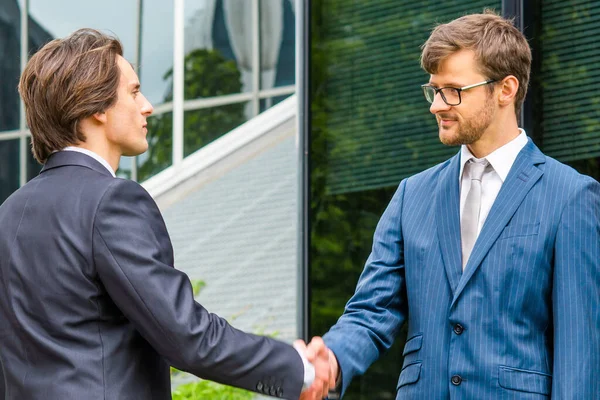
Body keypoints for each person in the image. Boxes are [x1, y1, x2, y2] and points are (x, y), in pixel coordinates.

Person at [0, 29, 334, 400]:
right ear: (95, 107)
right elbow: (185, 334)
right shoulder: (112, 200)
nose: (147, 106)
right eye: (133, 91)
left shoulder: (7, 214)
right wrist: (297, 370)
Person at [315, 10, 600, 399]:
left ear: (506, 89)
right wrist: (331, 359)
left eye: (454, 90)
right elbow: (372, 311)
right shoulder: (411, 196)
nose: (436, 105)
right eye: (434, 90)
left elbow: (578, 347)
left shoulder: (570, 196)